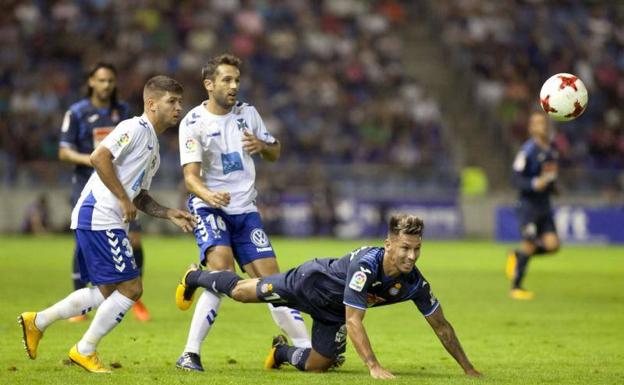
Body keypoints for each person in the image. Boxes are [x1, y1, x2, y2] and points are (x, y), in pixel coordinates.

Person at [19, 76, 196, 373]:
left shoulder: (153, 147)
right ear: (151, 104)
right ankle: (84, 350)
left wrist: (168, 213)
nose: (179, 107)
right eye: (172, 102)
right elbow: (98, 157)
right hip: (100, 216)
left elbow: (139, 196)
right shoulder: (133, 128)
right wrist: (123, 200)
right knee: (131, 287)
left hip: (107, 219)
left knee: (106, 291)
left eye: (180, 101)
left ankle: (37, 321)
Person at [176, 214, 482, 379]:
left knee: (319, 365)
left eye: (416, 249)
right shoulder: (367, 265)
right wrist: (373, 366)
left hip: (332, 312)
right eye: (405, 248)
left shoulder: (414, 283)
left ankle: (280, 352)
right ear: (388, 244)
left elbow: (441, 325)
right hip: (309, 283)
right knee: (242, 292)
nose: (411, 255)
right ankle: (194, 276)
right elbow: (354, 321)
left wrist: (468, 369)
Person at [175, 53, 310, 372]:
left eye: (237, 80)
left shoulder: (248, 113)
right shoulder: (193, 123)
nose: (234, 85)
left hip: (246, 211)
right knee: (222, 274)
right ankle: (190, 353)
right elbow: (191, 178)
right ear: (209, 85)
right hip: (210, 207)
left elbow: (275, 151)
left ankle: (306, 349)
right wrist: (210, 195)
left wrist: (262, 146)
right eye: (227, 80)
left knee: (273, 281)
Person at [58, 62, 150, 321]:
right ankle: (79, 301)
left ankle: (135, 298)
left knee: (135, 240)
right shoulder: (76, 113)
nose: (106, 85)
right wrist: (93, 159)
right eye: (101, 80)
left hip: (120, 186)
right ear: (91, 82)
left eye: (110, 80)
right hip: (88, 186)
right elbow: (63, 151)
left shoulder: (122, 112)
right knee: (83, 242)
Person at [506, 111, 561, 300]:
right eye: (537, 123)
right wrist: (532, 183)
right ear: (531, 128)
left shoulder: (551, 151)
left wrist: (554, 188)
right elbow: (514, 179)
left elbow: (550, 178)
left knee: (553, 246)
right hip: (528, 205)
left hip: (544, 206)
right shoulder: (527, 151)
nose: (542, 126)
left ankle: (517, 256)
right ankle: (516, 287)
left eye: (543, 122)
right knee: (529, 243)